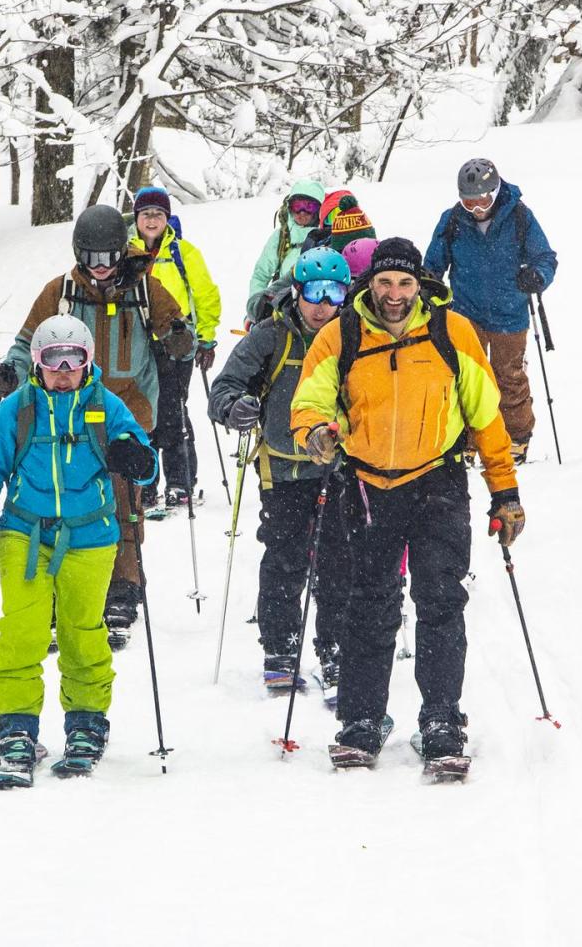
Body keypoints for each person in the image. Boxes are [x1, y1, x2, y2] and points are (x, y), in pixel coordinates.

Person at [289, 237, 526, 765]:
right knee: (370, 602)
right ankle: (360, 721)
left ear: (420, 285)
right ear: (369, 283)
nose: (394, 294)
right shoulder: (340, 335)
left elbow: (486, 416)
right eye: (384, 282)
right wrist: (314, 434)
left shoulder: (451, 331)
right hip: (368, 486)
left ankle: (441, 718)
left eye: (404, 283)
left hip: (437, 482)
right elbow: (310, 400)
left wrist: (504, 492)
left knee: (440, 601)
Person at [0, 315, 159, 787]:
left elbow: (145, 463)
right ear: (38, 364)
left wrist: (136, 458)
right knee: (22, 630)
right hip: (25, 533)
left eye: (74, 359)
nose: (64, 369)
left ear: (89, 362)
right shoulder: (20, 407)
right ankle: (16, 729)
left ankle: (87, 723)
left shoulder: (105, 406)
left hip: (90, 535)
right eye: (53, 359)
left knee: (81, 629)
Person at [0, 204, 194, 649]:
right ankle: (63, 593)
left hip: (128, 408)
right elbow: (29, 345)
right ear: (79, 255)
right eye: (92, 259)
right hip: (67, 409)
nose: (102, 269)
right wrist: (10, 372)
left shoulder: (145, 289)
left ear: (123, 253)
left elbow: (178, 328)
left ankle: (121, 590)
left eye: (110, 258)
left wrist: (180, 336)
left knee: (124, 500)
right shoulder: (59, 294)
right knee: (66, 499)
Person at [208, 247, 355, 696]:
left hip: (341, 469)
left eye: (333, 292)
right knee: (284, 561)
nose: (322, 303)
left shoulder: (356, 337)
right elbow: (224, 387)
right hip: (284, 472)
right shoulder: (270, 337)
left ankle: (335, 649)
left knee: (338, 563)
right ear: (297, 291)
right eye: (314, 291)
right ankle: (280, 649)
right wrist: (235, 407)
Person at [424, 158, 557, 465]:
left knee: (508, 377)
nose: (476, 208)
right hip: (465, 312)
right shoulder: (453, 220)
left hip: (509, 312)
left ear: (495, 192)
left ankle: (516, 437)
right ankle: (468, 439)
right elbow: (434, 263)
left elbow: (545, 257)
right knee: (467, 378)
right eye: (468, 202)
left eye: (482, 200)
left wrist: (537, 275)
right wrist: (428, 286)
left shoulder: (520, 217)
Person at [129, 186, 222, 510]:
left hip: (176, 346)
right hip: (138, 346)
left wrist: (206, 338)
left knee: (172, 412)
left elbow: (206, 295)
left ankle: (180, 482)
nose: (152, 220)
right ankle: (146, 481)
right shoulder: (125, 252)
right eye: (146, 214)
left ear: (167, 218)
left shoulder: (184, 252)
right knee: (142, 413)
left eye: (158, 214)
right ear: (136, 218)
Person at [246, 178, 325, 316]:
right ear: (289, 208)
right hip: (282, 306)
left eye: (309, 207)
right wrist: (256, 308)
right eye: (297, 206)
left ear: (319, 211)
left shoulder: (326, 238)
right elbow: (261, 275)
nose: (302, 212)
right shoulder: (281, 237)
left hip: (317, 310)